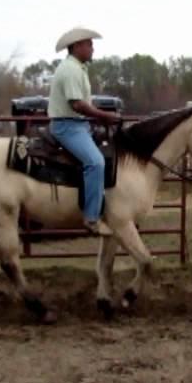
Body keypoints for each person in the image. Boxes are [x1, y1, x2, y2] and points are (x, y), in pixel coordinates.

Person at [48, 27, 120, 236]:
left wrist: (99, 115)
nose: (92, 48)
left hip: (78, 125)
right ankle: (91, 217)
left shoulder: (78, 68)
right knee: (95, 162)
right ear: (77, 46)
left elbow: (83, 103)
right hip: (68, 127)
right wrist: (104, 116)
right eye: (89, 44)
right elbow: (77, 104)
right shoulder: (70, 70)